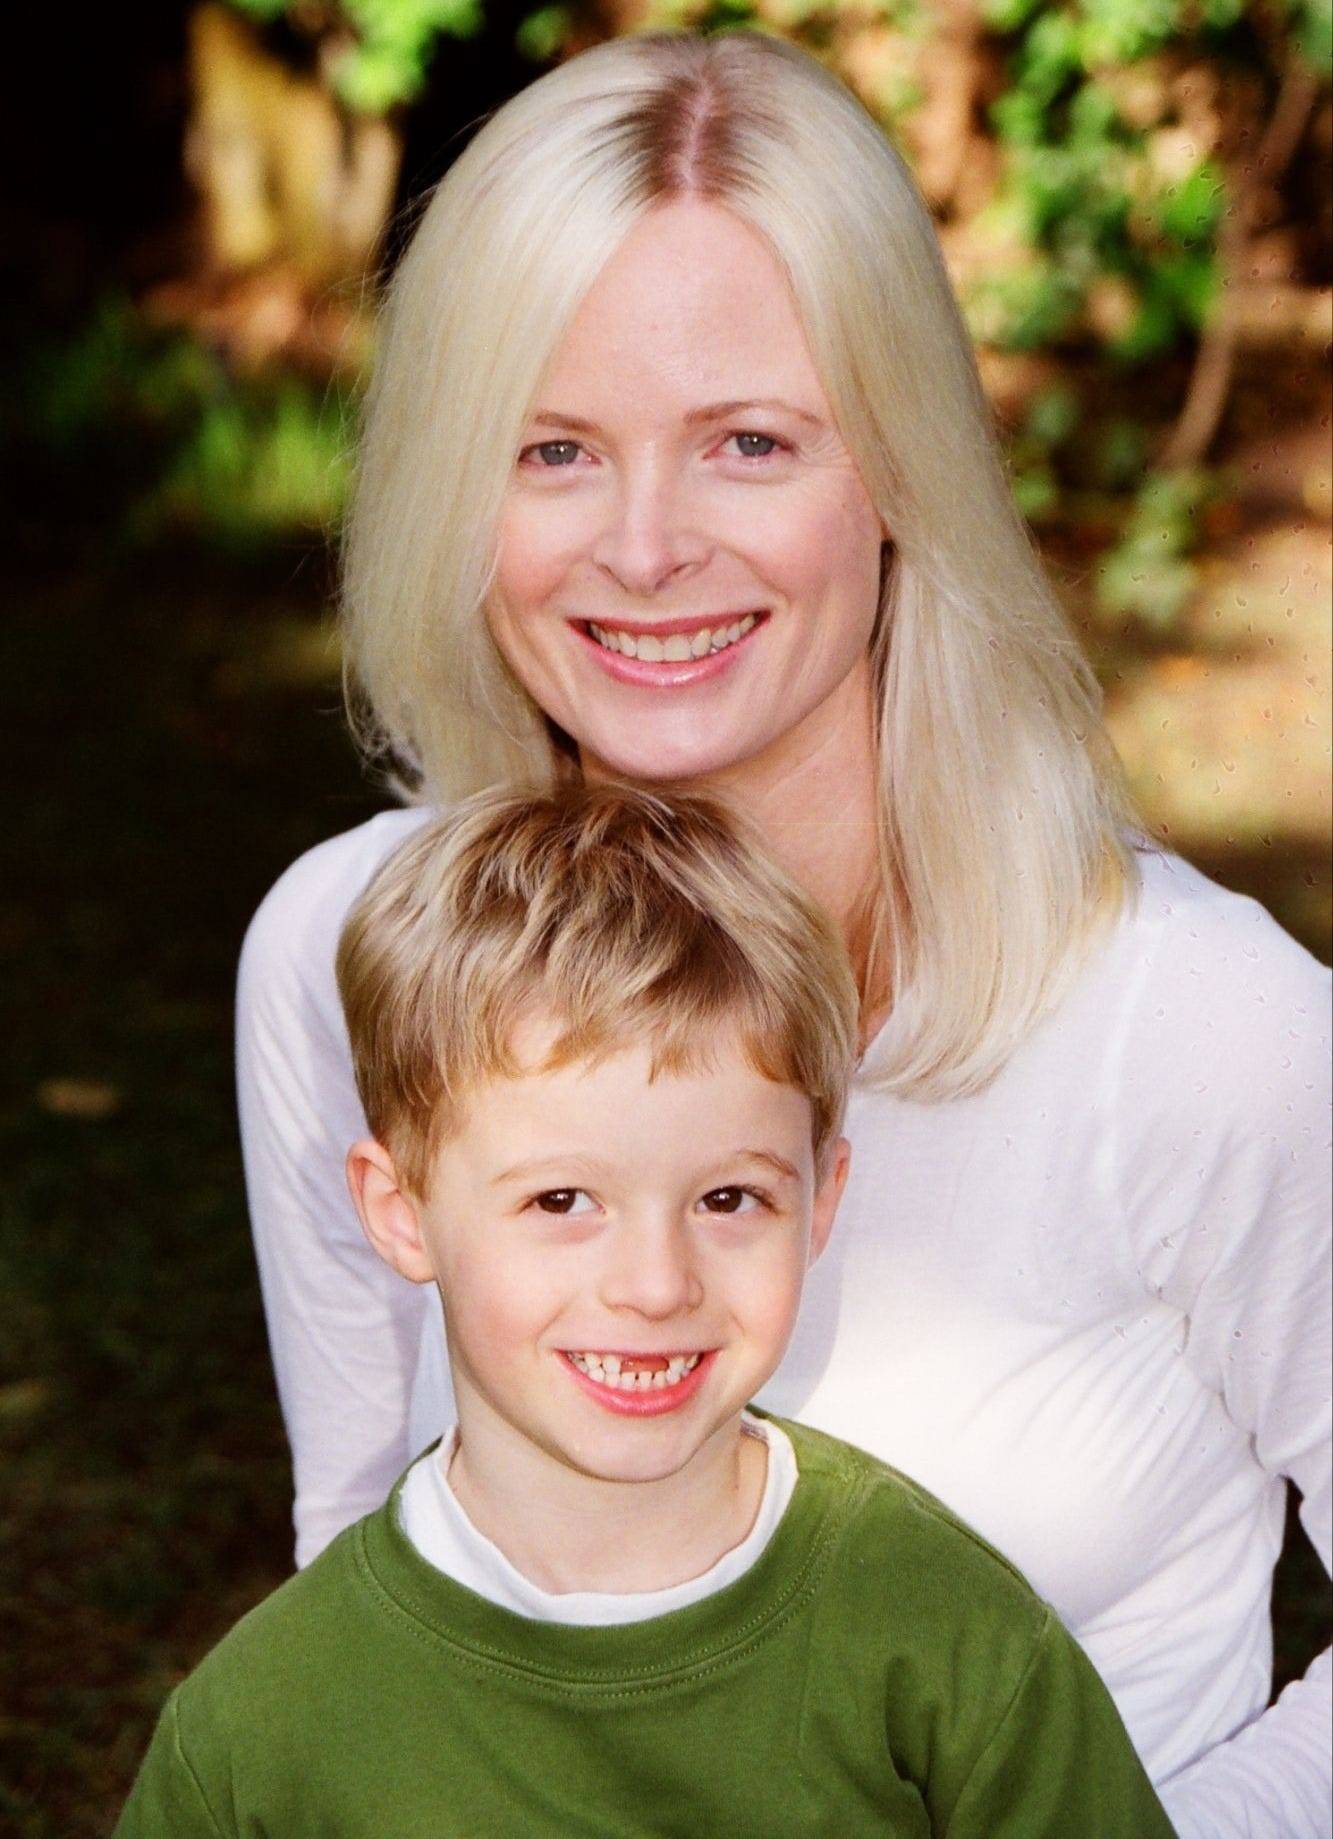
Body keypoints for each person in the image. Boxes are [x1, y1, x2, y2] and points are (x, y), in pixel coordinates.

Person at [236, 30, 1331, 1839]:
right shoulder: (344, 950)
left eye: (747, 441)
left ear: (897, 467)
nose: (646, 546)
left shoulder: (1201, 1028)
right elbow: (360, 1567)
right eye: (554, 448)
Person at [121, 785, 1177, 1837]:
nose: (657, 1284)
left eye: (728, 1199)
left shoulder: (943, 1635)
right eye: (561, 1201)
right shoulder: (263, 1731)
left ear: (821, 1202)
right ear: (401, 1214)